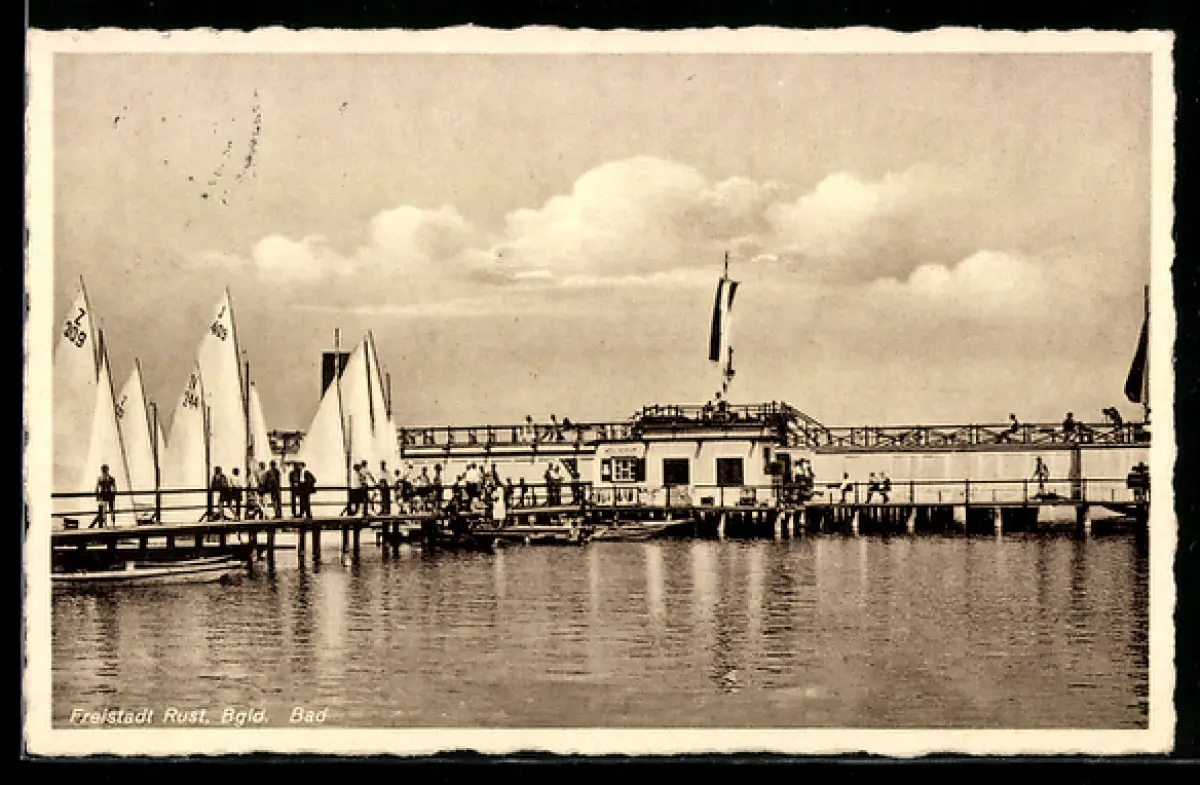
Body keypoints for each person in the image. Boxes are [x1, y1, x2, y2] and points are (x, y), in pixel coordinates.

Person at [92, 464, 117, 528]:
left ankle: (112, 523)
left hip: (107, 495)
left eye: (105, 470)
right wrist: (97, 496)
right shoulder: (103, 478)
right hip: (105, 495)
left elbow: (114, 487)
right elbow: (96, 488)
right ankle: (107, 524)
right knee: (105, 510)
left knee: (110, 510)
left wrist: (97, 496)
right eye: (104, 470)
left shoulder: (108, 478)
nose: (104, 471)